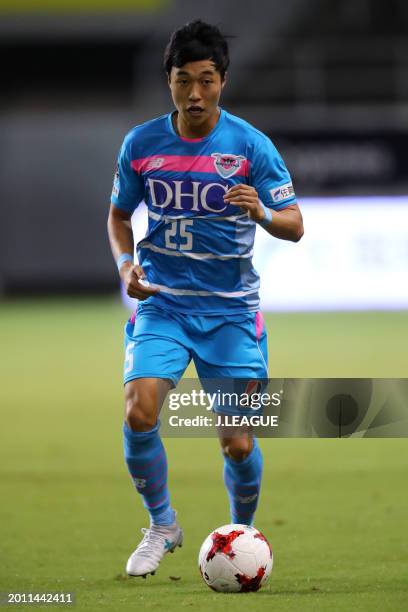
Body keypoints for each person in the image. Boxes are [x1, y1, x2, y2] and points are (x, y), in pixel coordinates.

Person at [107, 19, 303, 579]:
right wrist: (126, 265)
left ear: (223, 81)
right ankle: (162, 524)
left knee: (238, 443)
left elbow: (295, 225)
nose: (195, 94)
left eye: (207, 81)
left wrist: (261, 212)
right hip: (164, 305)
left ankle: (241, 533)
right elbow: (119, 217)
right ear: (168, 80)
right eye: (183, 80)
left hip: (231, 314)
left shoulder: (249, 145)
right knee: (139, 408)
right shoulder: (142, 145)